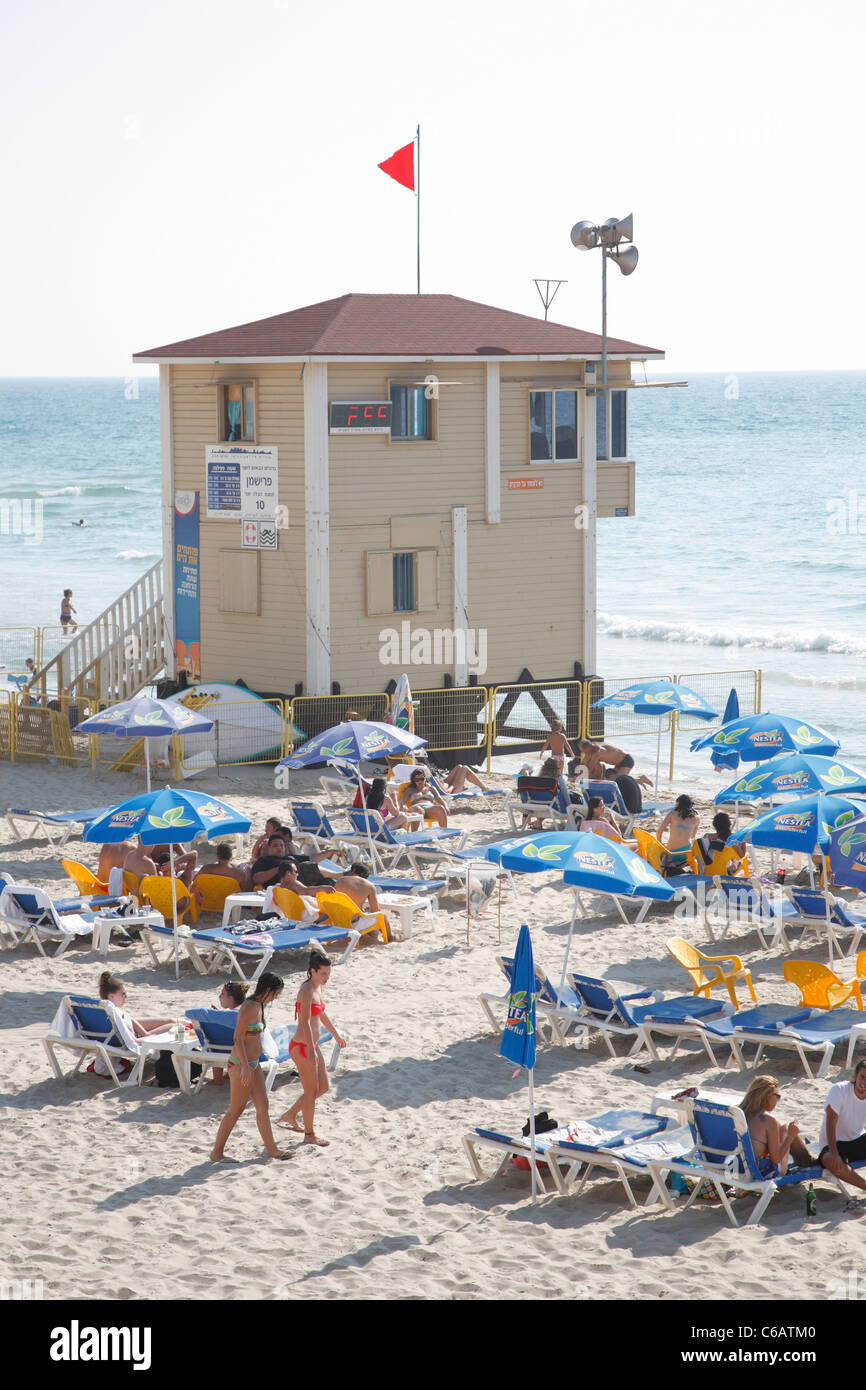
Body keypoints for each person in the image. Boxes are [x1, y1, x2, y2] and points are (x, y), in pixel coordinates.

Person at [209, 972, 293, 1162]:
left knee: (263, 1106)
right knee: (235, 1110)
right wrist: (246, 1067)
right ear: (267, 990)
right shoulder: (247, 1007)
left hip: (252, 1064)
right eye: (276, 993)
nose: (276, 998)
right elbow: (237, 1038)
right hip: (241, 1064)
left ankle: (272, 1150)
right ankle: (216, 1153)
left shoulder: (259, 1006)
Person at [279, 951, 347, 1146]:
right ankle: (309, 1135)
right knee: (311, 1091)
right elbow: (306, 1022)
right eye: (323, 973)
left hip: (312, 1044)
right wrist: (310, 1050)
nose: (326, 978)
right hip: (302, 1046)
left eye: (328, 973)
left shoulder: (318, 987)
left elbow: (321, 1014)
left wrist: (335, 1035)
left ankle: (291, 1114)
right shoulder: (306, 991)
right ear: (312, 971)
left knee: (323, 1087)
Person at [741, 1074, 814, 1176]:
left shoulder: (737, 1113)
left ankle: (805, 1158)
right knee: (787, 1129)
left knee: (783, 1129)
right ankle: (807, 1160)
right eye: (777, 1096)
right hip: (761, 1171)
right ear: (766, 1096)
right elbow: (776, 1159)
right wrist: (791, 1136)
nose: (778, 1100)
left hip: (735, 1166)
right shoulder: (768, 1121)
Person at [819, 1060, 866, 1200]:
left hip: (856, 1139)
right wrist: (834, 1153)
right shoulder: (839, 1090)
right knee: (832, 1162)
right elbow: (830, 1123)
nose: (863, 1082)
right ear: (856, 1075)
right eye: (862, 1076)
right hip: (833, 1143)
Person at [98, 971, 174, 1039]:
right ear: (111, 996)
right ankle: (186, 1025)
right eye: (123, 994)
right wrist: (146, 1035)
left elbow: (129, 1019)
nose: (126, 996)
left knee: (171, 1021)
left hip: (124, 1030)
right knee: (174, 1026)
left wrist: (144, 1033)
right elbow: (134, 1040)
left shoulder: (101, 1010)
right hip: (136, 1037)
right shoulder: (115, 1012)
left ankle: (185, 1023)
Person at [208, 981, 249, 1086]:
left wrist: (217, 1017)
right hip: (244, 1050)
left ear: (231, 998)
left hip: (231, 1051)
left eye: (222, 994)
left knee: (215, 1039)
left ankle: (217, 1079)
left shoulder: (230, 1015)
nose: (219, 997)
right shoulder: (245, 1011)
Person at [657, 794, 700, 877]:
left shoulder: (672, 814)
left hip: (671, 853)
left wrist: (661, 845)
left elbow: (659, 831)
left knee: (661, 851)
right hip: (686, 854)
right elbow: (692, 836)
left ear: (678, 804)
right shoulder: (697, 818)